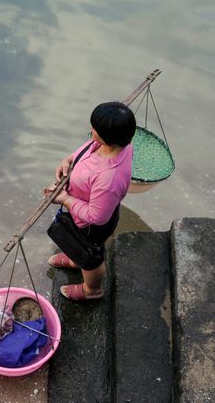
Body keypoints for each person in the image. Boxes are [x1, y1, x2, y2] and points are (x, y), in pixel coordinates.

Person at [44, 101, 136, 301]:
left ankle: (92, 290)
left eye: (94, 129)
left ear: (108, 138)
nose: (91, 130)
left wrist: (65, 199)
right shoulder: (114, 145)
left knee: (91, 258)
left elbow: (97, 217)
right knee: (79, 249)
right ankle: (76, 259)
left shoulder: (109, 177)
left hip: (90, 224)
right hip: (85, 207)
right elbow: (84, 151)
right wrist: (68, 161)